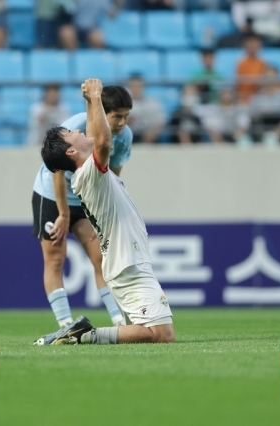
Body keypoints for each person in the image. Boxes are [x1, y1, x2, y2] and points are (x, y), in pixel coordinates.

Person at [36, 78, 175, 345]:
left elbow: (94, 136)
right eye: (73, 134)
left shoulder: (86, 171)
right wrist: (97, 97)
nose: (79, 132)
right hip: (127, 262)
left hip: (126, 258)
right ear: (72, 149)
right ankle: (83, 336)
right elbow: (101, 140)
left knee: (152, 331)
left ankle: (82, 335)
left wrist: (90, 103)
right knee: (162, 335)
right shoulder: (89, 172)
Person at [31, 85, 133, 328]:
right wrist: (64, 213)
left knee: (101, 258)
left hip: (85, 198)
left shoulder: (125, 136)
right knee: (55, 259)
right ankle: (66, 325)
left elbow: (110, 178)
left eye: (126, 116)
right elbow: (56, 169)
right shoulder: (76, 126)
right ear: (102, 113)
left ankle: (119, 321)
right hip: (52, 195)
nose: (122, 122)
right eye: (116, 116)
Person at [248, 66, 280, 144]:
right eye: (267, 77)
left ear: (277, 78)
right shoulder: (257, 97)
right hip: (262, 130)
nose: (270, 80)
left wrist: (278, 133)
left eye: (272, 77)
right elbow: (252, 116)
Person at [126, 74, 166, 143]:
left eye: (139, 86)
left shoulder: (153, 102)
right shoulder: (123, 103)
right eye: (133, 86)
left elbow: (161, 121)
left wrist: (153, 133)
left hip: (151, 135)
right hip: (131, 136)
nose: (136, 89)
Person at [236, 33, 267, 104]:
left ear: (260, 45)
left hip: (260, 99)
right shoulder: (241, 63)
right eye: (250, 42)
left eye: (255, 42)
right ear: (245, 44)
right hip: (243, 100)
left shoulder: (263, 63)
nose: (252, 45)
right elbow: (240, 83)